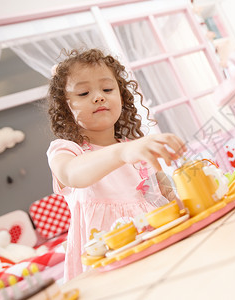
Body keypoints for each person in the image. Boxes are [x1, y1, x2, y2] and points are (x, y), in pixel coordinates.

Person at [46, 48, 186, 281]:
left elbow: (165, 197)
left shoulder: (135, 150)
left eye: (108, 89)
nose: (99, 96)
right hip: (108, 268)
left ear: (121, 96)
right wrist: (123, 151)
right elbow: (72, 174)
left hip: (155, 255)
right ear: (65, 106)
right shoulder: (67, 151)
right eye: (83, 93)